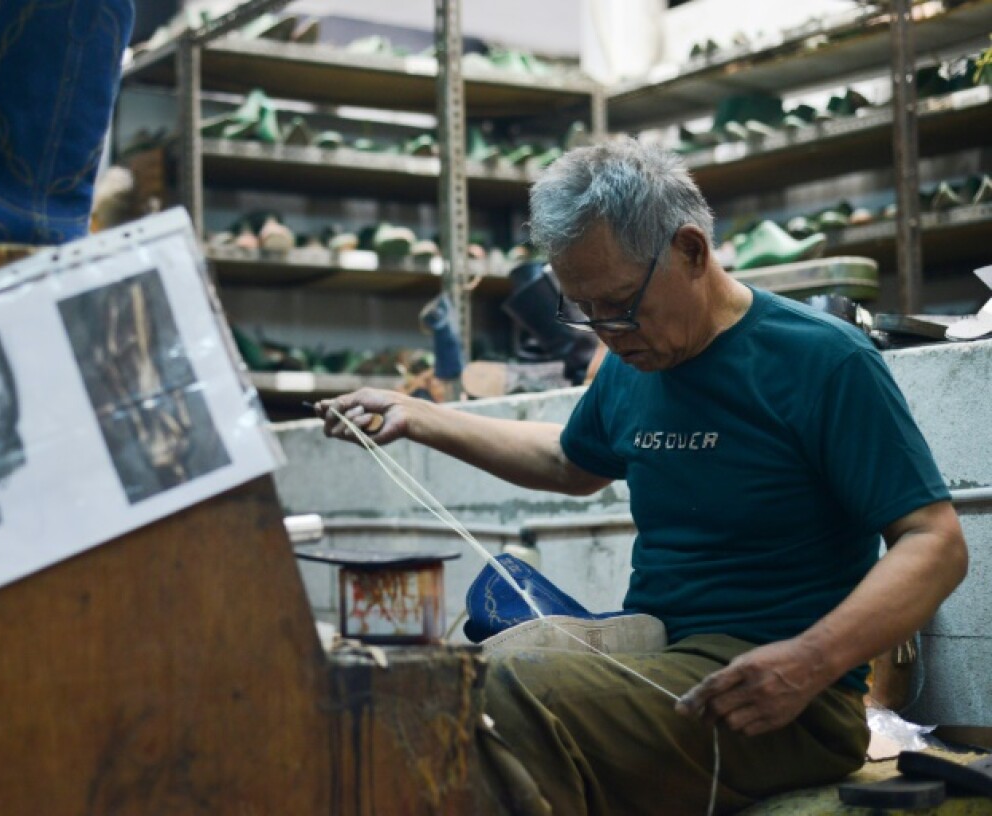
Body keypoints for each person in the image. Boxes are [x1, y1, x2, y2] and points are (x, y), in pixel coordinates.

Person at [315, 137, 968, 815]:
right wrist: (418, 416)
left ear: (690, 251)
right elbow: (570, 462)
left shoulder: (822, 361)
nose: (607, 331)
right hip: (663, 659)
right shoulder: (632, 364)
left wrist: (810, 661)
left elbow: (936, 543)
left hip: (780, 704)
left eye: (621, 303)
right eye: (584, 309)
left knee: (509, 691)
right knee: (436, 682)